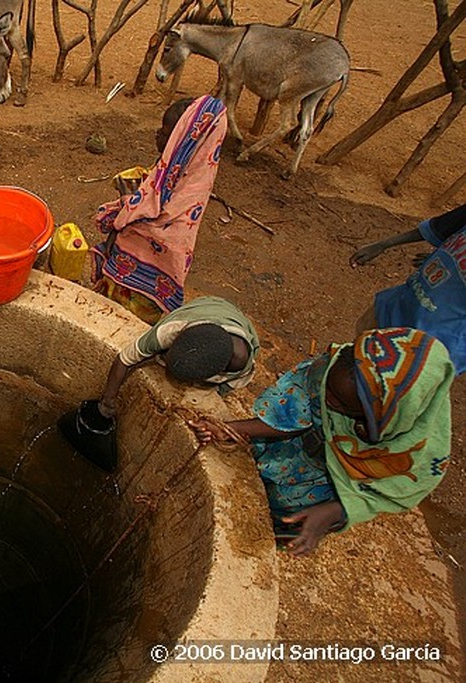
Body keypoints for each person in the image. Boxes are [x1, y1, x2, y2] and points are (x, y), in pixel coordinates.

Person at [189, 327, 454, 557]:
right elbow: (295, 409)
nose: (328, 402)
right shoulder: (336, 367)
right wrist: (231, 429)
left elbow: (386, 494)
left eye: (340, 405)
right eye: (329, 391)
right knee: (245, 482)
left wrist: (335, 512)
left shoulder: (414, 455)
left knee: (270, 522)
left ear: (379, 420)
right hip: (287, 451)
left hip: (312, 492)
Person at [91, 95, 226, 325]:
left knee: (123, 324)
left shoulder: (188, 187)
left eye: (164, 133)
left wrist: (124, 206)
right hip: (150, 269)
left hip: (146, 279)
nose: (158, 135)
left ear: (180, 141)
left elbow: (147, 212)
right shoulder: (190, 171)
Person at [95, 296, 259, 419]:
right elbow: (124, 359)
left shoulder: (241, 367)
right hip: (207, 305)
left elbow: (221, 390)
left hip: (231, 319)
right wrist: (109, 398)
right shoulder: (170, 329)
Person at [349, 203, 466, 374]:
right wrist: (384, 244)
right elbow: (440, 228)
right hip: (400, 305)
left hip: (429, 346)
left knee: (376, 388)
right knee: (350, 363)